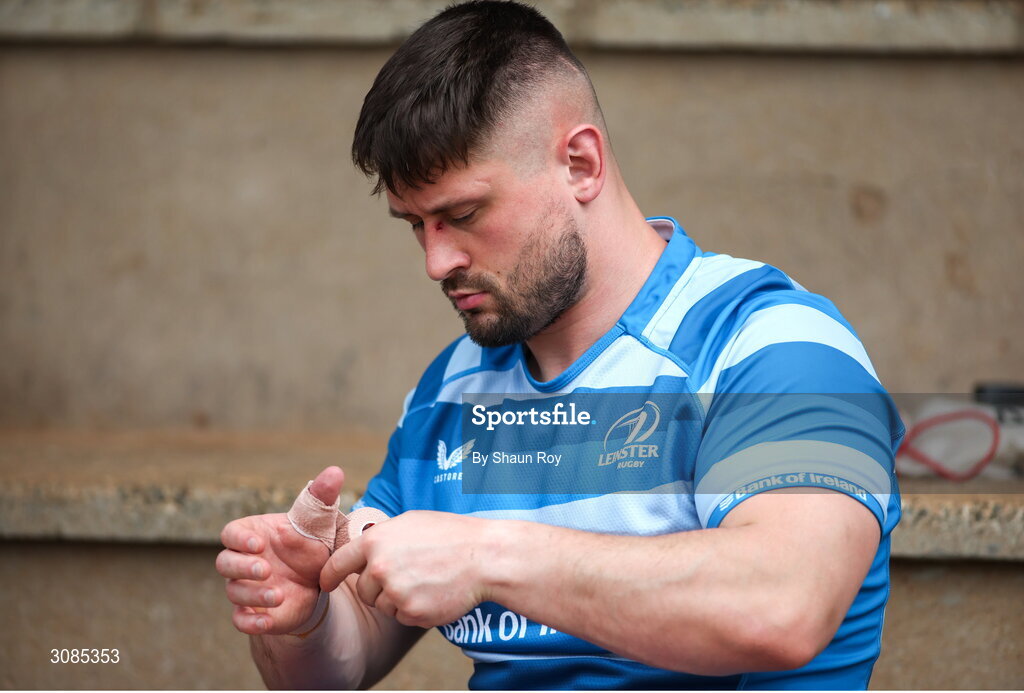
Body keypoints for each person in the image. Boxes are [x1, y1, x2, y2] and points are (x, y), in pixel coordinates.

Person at [216, 1, 904, 688]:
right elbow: (338, 667)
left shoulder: (773, 343)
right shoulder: (452, 389)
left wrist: (489, 556)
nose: (436, 261)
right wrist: (301, 614)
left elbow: (783, 606)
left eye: (463, 214)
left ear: (580, 163)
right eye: (415, 225)